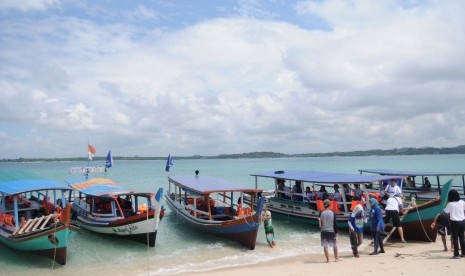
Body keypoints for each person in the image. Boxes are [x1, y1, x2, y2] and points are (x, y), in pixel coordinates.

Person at [443, 189, 465, 259]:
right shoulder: (462, 202)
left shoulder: (450, 204)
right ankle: (464, 253)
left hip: (455, 222)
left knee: (455, 239)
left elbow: (445, 212)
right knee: (462, 238)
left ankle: (456, 255)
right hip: (462, 221)